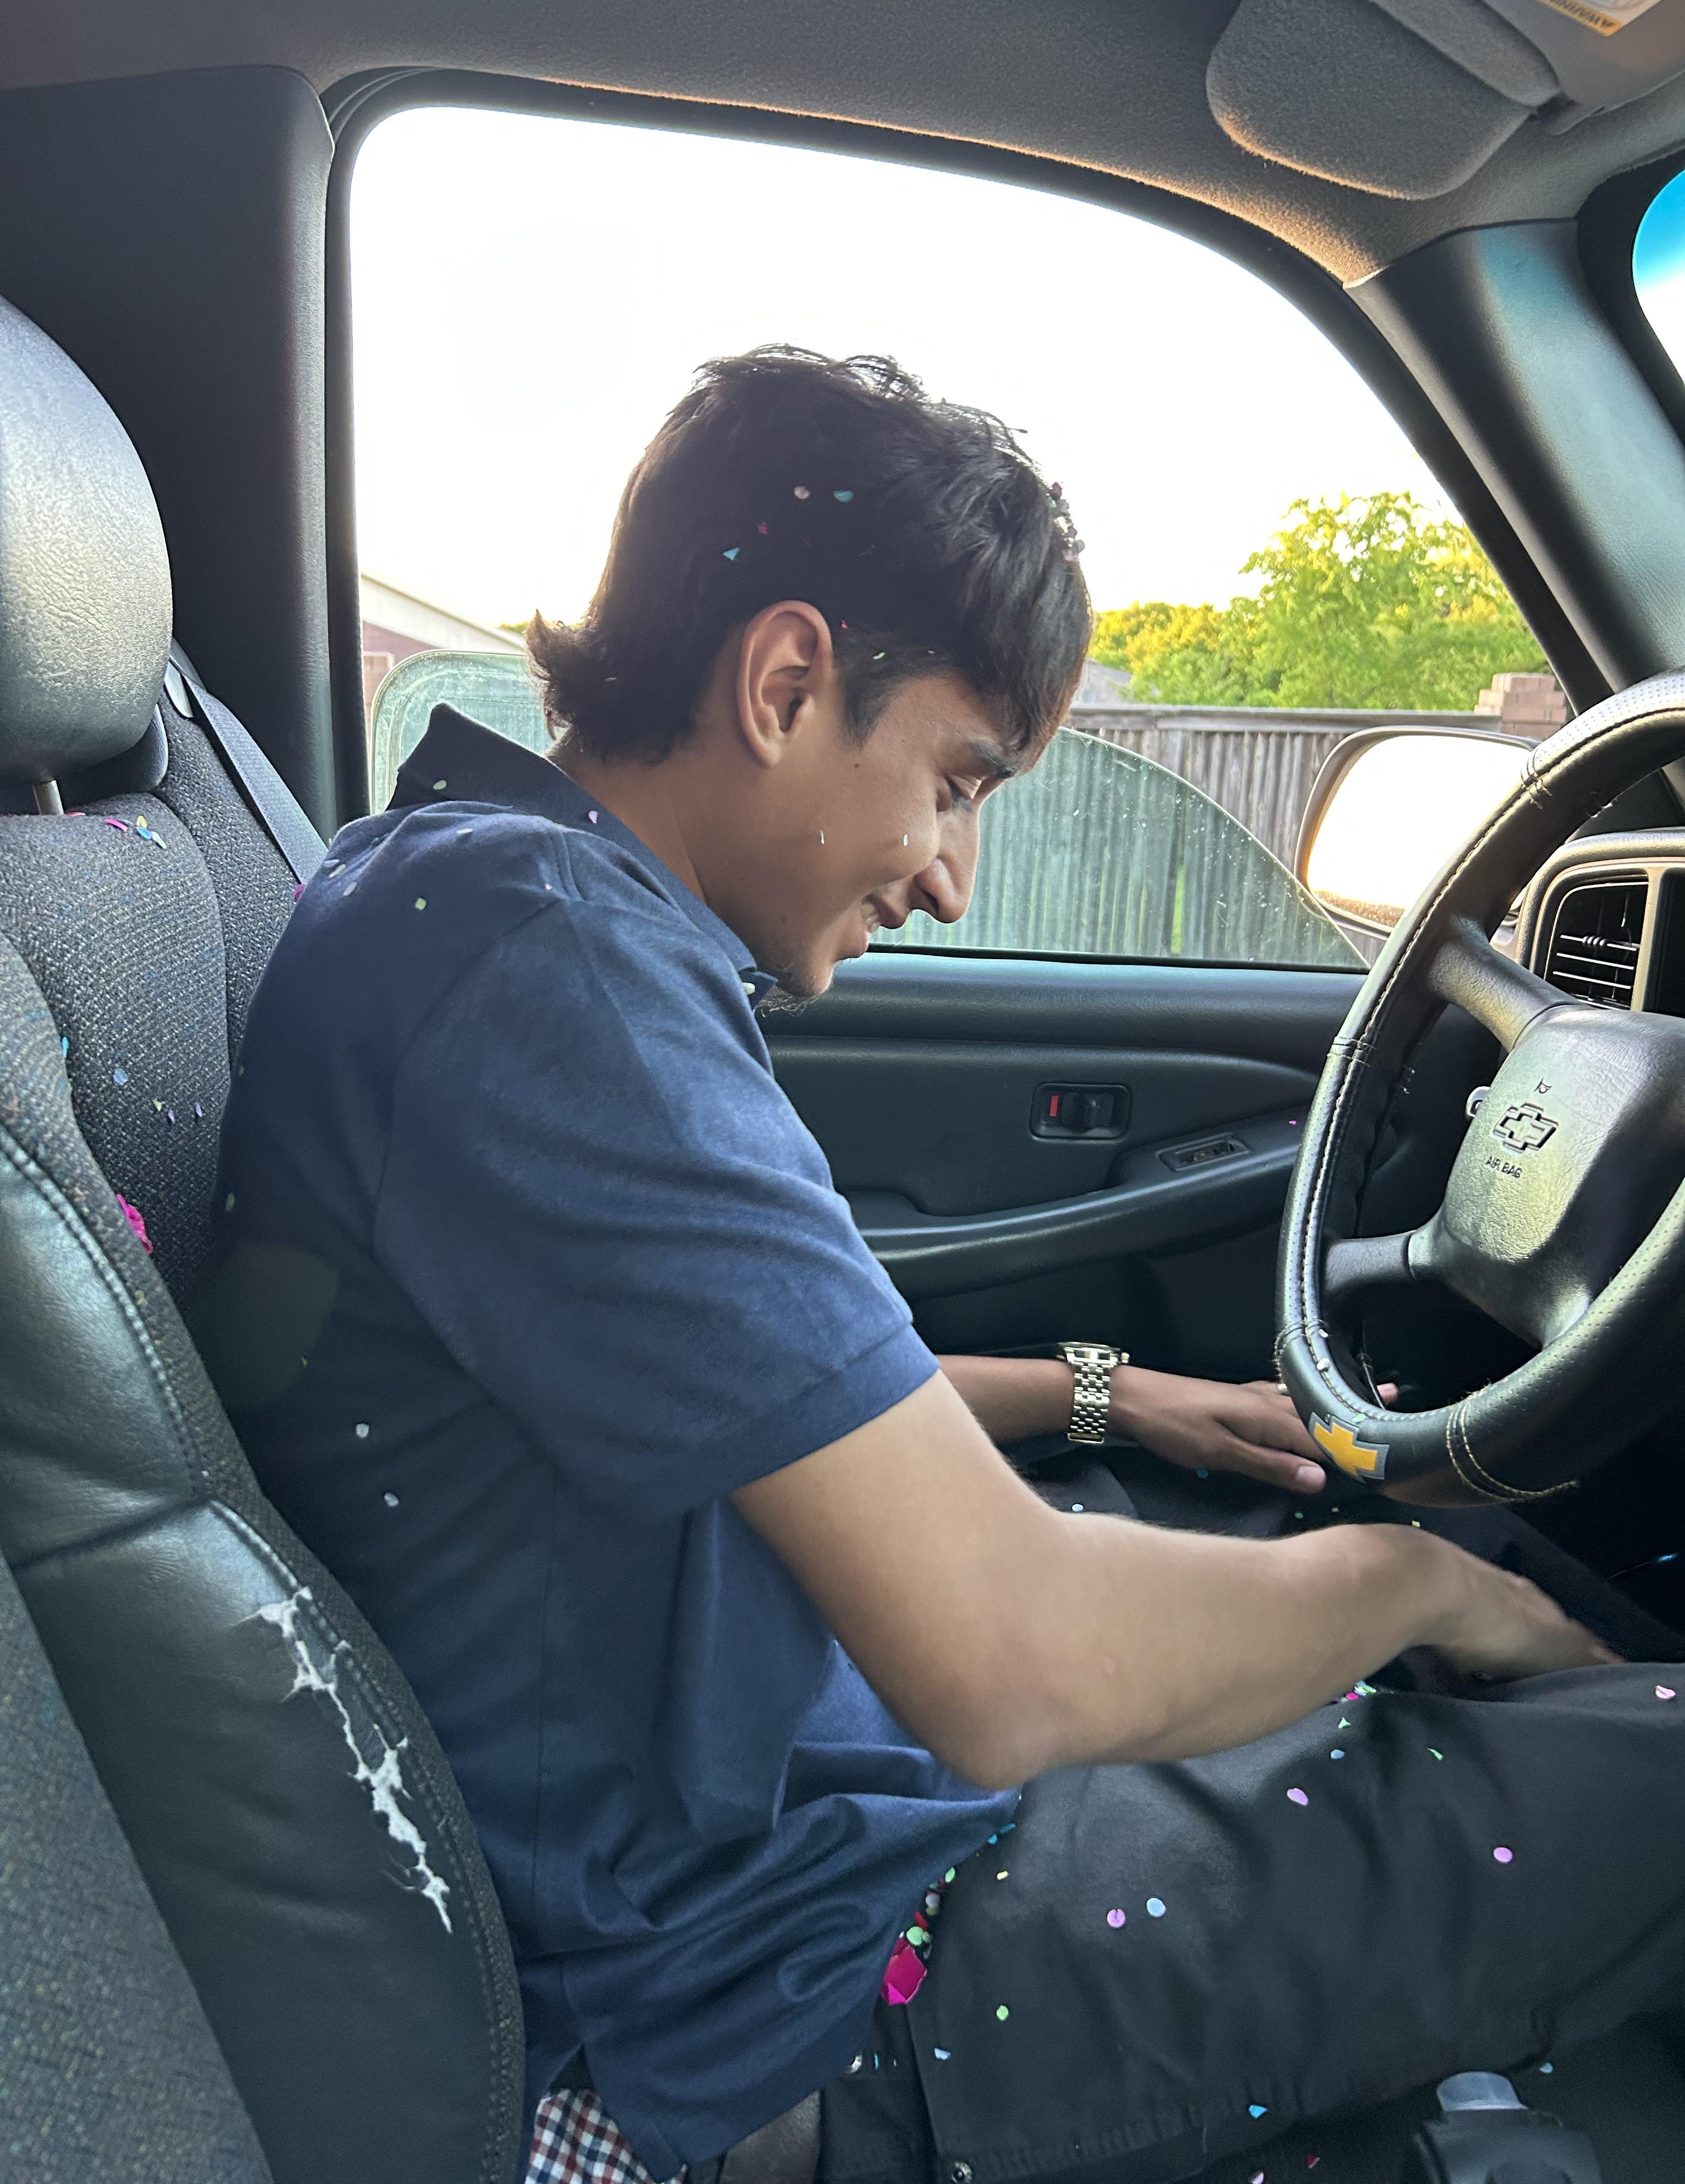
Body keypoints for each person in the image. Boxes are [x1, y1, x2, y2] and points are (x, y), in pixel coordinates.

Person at [197, 348, 1685, 2184]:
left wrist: (1106, 1397)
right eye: (959, 782)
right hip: (787, 1989)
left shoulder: (459, 888)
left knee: (1435, 1577)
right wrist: (1404, 1589)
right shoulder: (551, 981)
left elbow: (756, 1389)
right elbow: (1008, 1666)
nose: (956, 878)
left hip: (776, 1814)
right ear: (785, 682)